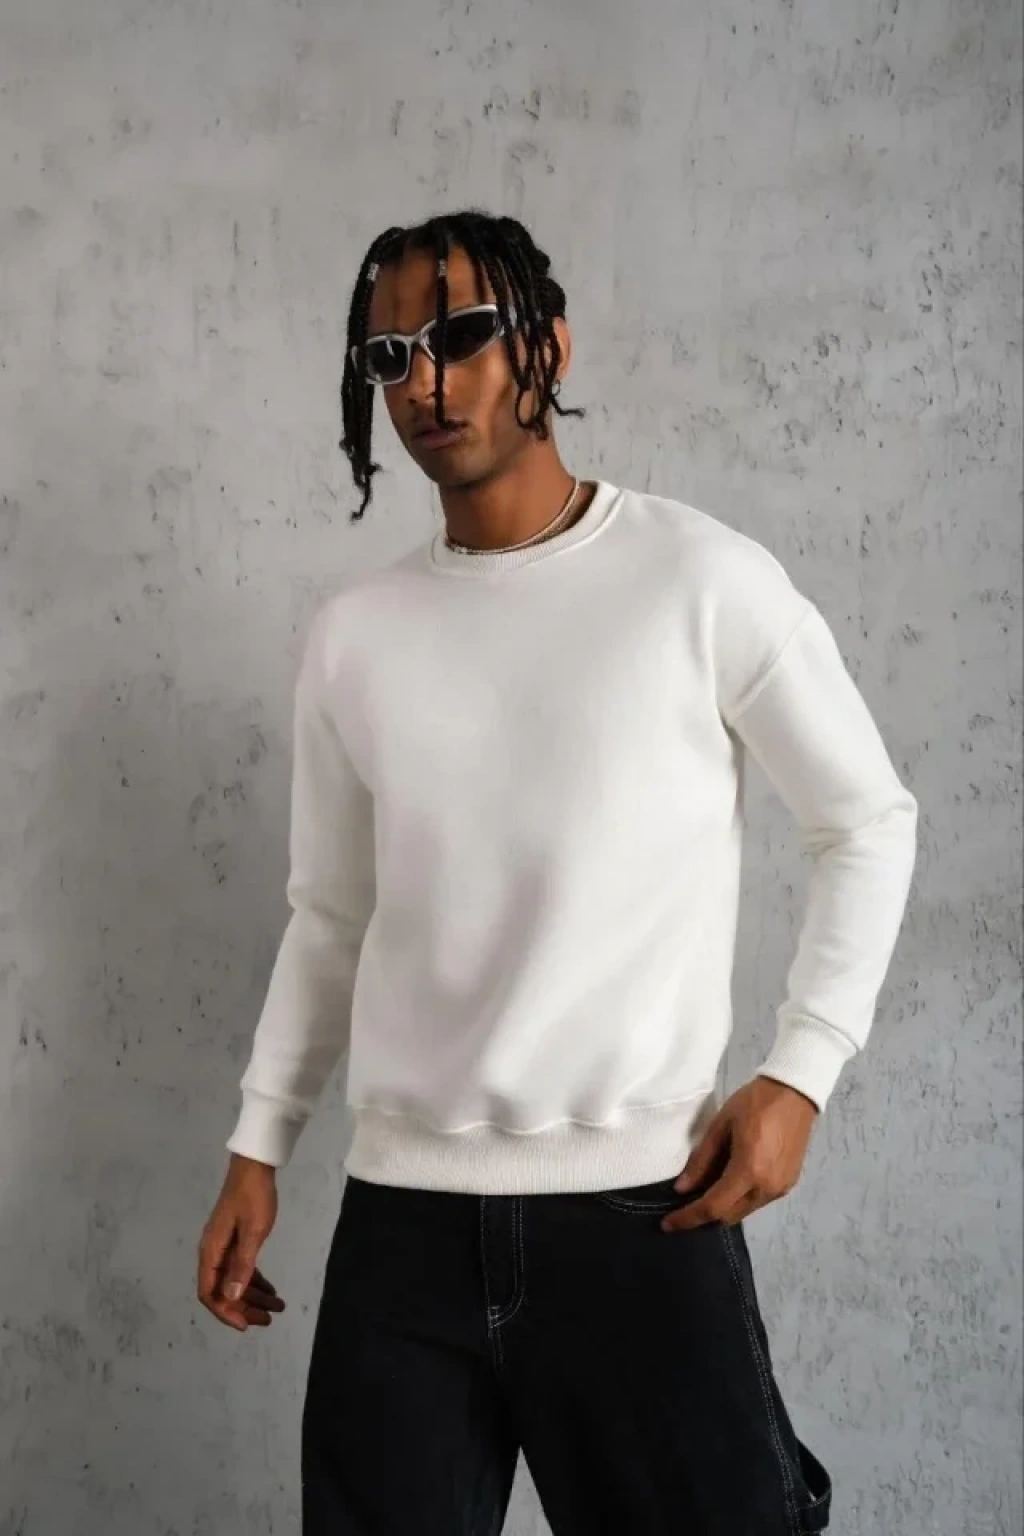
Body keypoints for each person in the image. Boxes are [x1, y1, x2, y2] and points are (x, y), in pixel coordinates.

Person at [197, 209, 918, 1535]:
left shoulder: (700, 580)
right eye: (391, 354)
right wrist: (259, 1145)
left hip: (641, 1218)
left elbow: (866, 820)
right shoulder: (355, 636)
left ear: (549, 346)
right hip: (402, 1228)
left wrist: (802, 1072)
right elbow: (330, 914)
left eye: (464, 334)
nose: (427, 380)